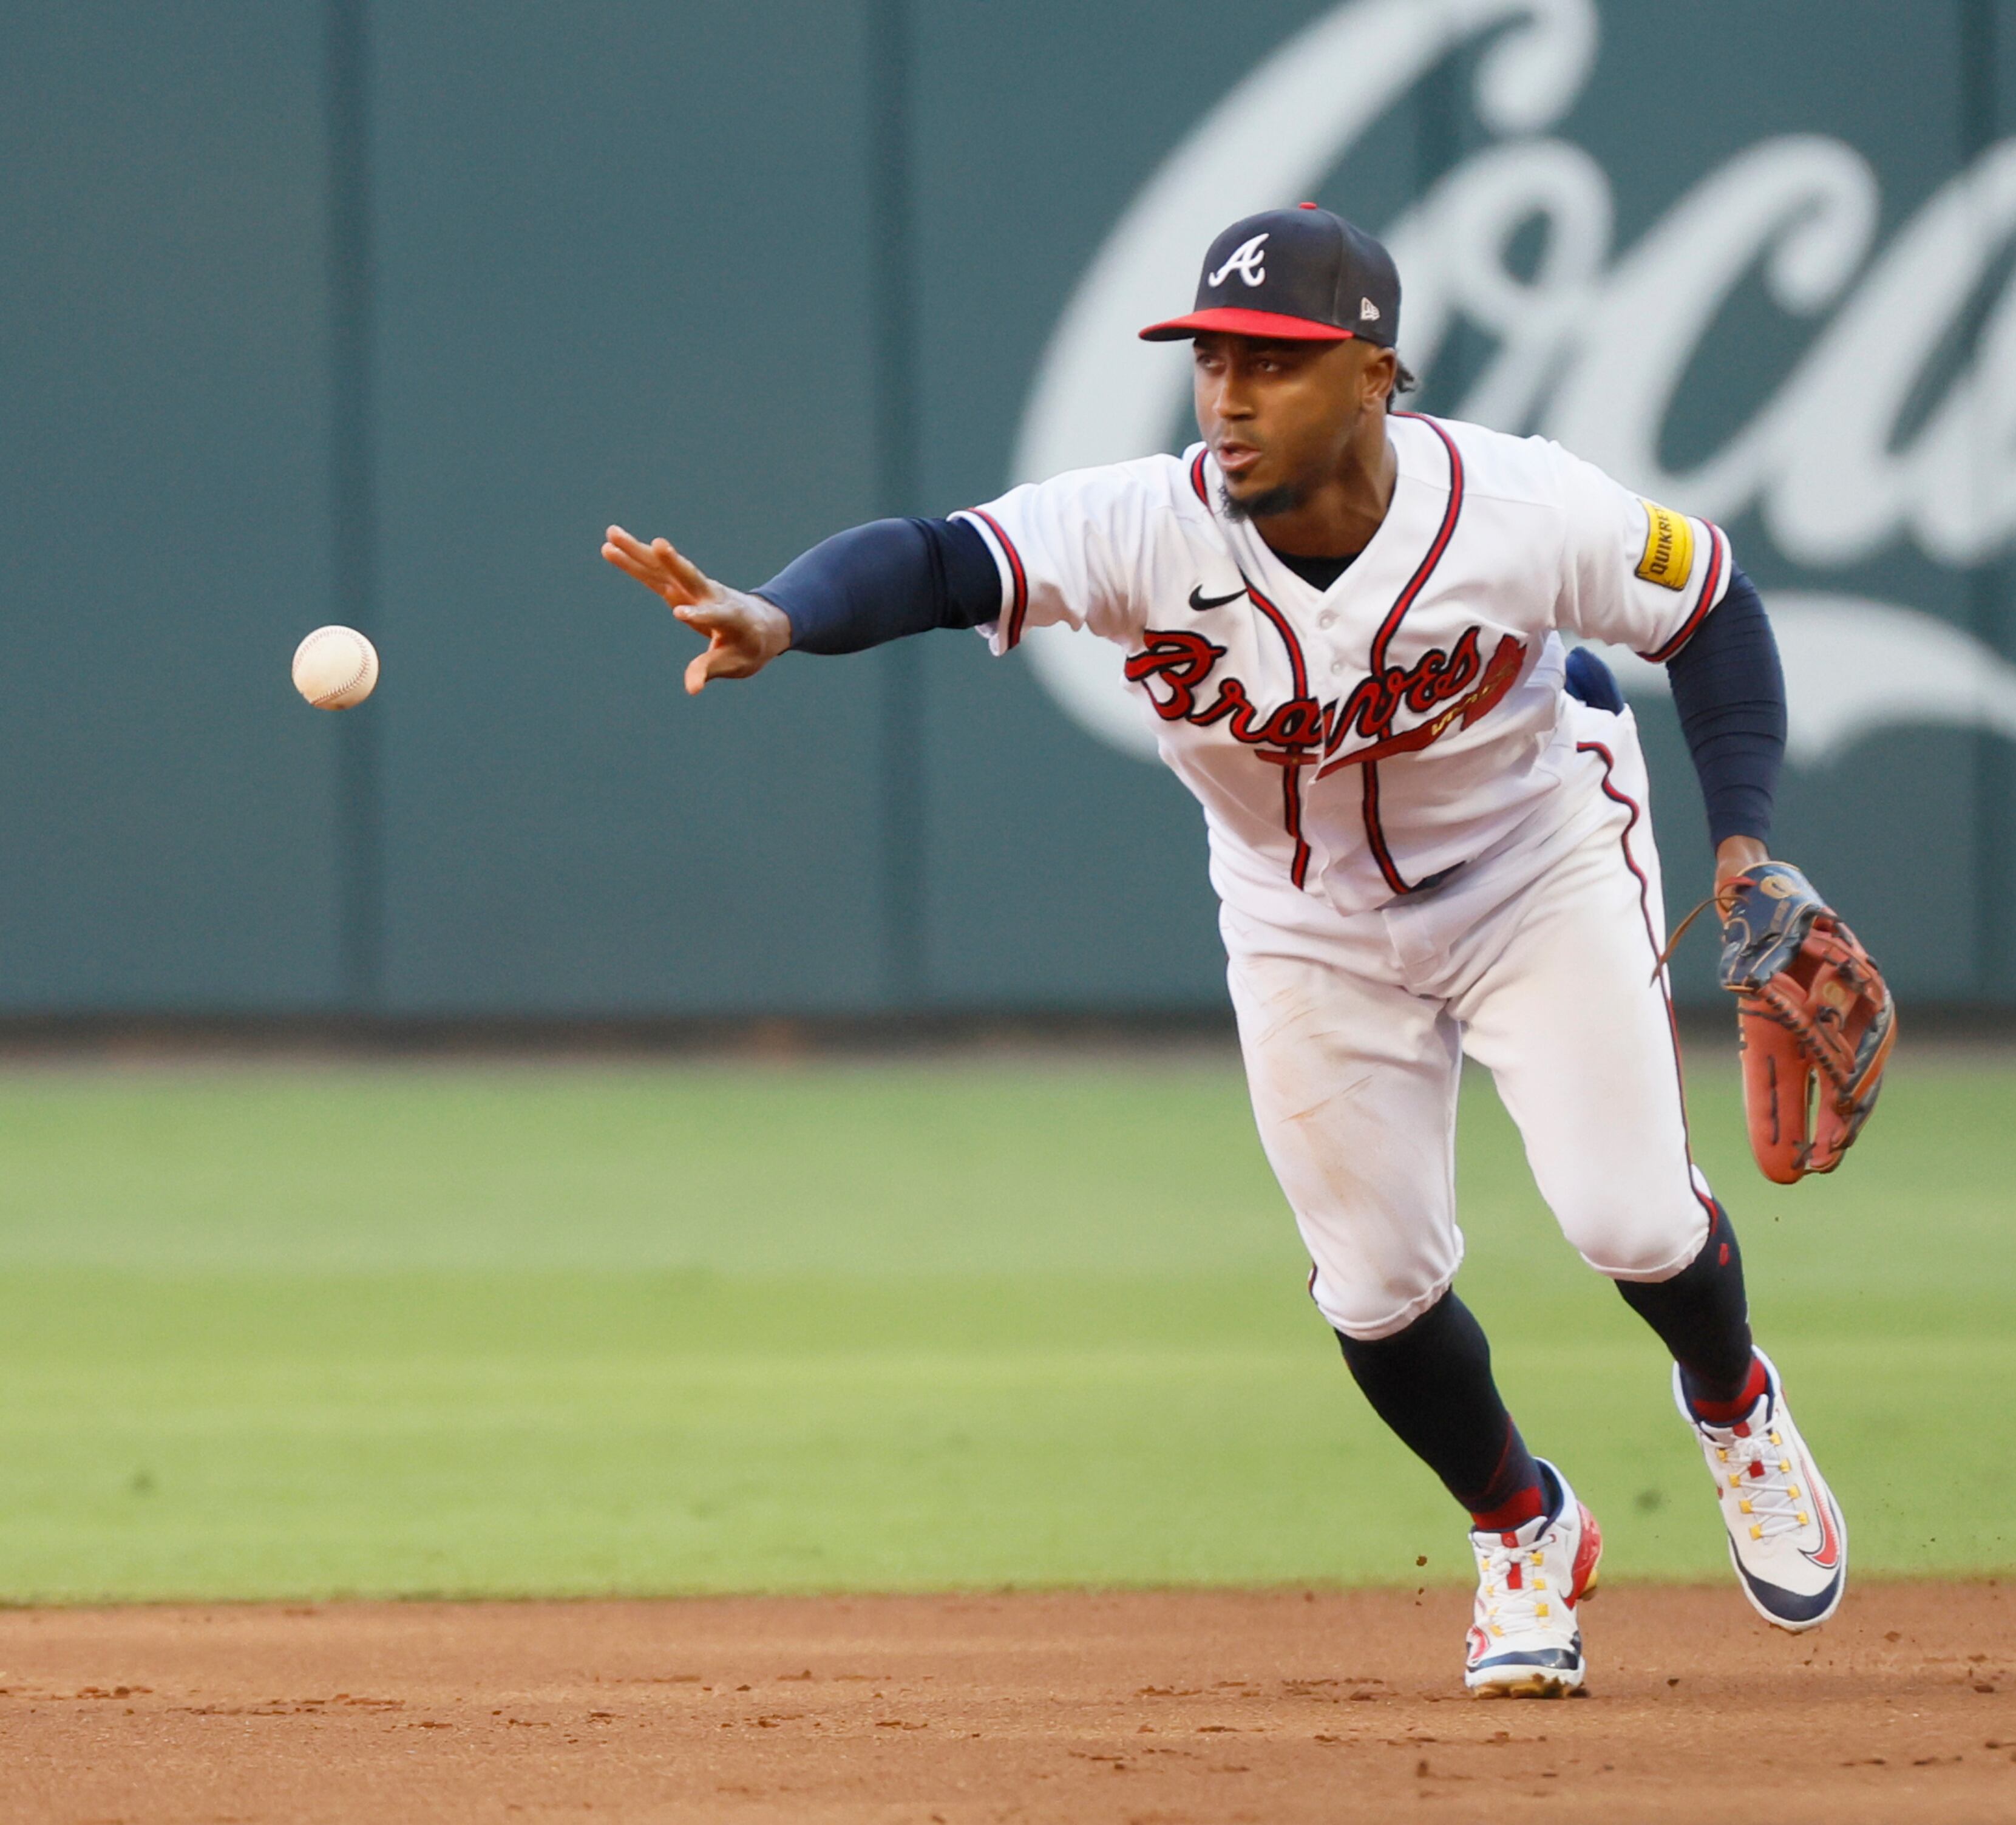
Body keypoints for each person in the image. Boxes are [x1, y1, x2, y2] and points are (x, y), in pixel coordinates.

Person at [604, 204, 1844, 1698]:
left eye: (1276, 361)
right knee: (1373, 1287)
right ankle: (1524, 1528)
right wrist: (785, 615)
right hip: (1299, 910)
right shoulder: (1147, 526)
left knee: (1631, 1221)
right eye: (1212, 360)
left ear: (1378, 378)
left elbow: (1712, 608)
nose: (1230, 397)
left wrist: (1744, 846)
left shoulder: (1523, 508)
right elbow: (941, 561)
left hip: (1537, 865)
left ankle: (1735, 1407)